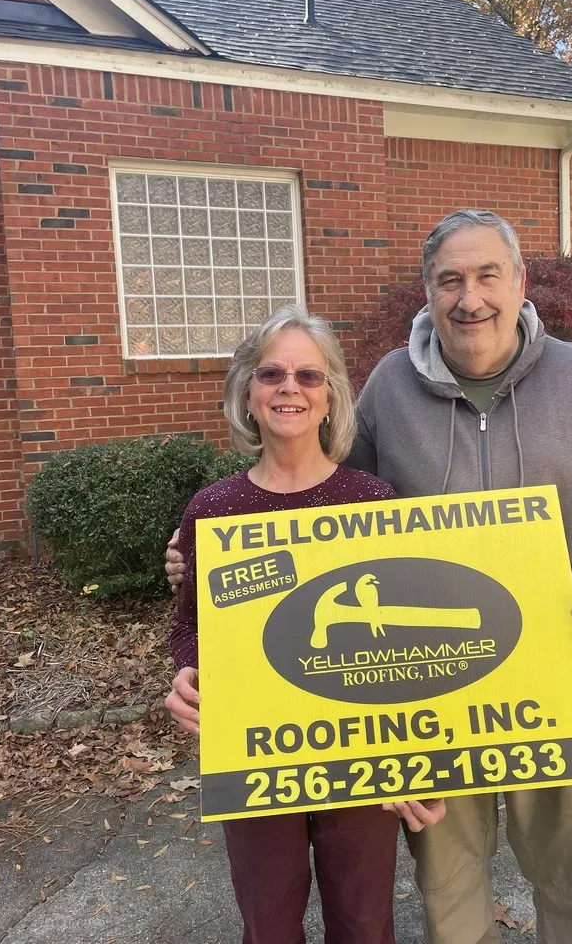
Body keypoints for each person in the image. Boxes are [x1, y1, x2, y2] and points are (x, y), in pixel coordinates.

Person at [168, 212, 572, 944]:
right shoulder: (389, 390)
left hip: (558, 685)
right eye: (450, 280)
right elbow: (324, 505)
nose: (471, 298)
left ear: (519, 281)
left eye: (487, 275)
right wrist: (207, 556)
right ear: (427, 292)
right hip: (429, 702)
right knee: (450, 890)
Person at [164, 304, 444, 944]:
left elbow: (408, 645)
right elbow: (190, 626)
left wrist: (422, 759)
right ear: (248, 392)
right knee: (268, 923)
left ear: (331, 398)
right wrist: (186, 673)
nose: (290, 387)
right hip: (257, 752)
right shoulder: (215, 509)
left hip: (361, 751)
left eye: (309, 376)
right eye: (271, 374)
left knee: (365, 922)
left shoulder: (373, 501)